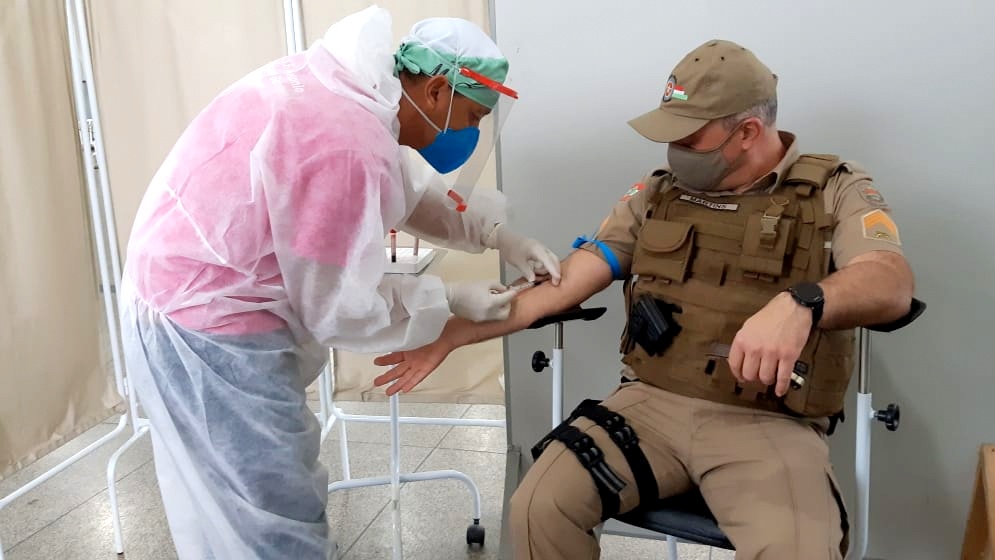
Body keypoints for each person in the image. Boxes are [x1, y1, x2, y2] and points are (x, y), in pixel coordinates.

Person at [371, 39, 916, 559]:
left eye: (689, 138)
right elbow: (564, 283)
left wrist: (802, 303)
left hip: (768, 422)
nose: (672, 150)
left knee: (797, 551)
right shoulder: (658, 194)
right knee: (538, 505)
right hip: (650, 405)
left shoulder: (832, 189)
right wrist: (454, 335)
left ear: (748, 131)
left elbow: (889, 280)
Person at [117, 6, 560, 559]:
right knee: (273, 515)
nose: (471, 132)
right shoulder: (345, 143)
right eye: (471, 116)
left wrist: (497, 235)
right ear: (438, 92)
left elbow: (403, 188)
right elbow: (341, 306)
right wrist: (448, 299)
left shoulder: (345, 87)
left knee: (222, 506)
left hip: (176, 292)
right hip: (209, 328)